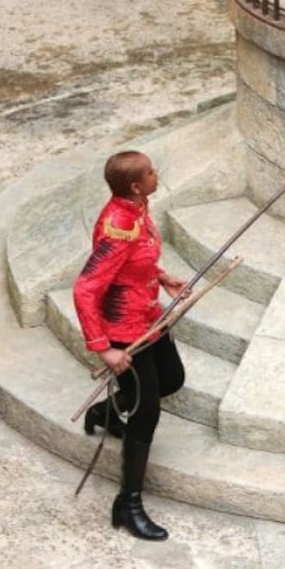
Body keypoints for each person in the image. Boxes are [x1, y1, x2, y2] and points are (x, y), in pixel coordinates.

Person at [73, 150, 187, 541]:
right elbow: (86, 288)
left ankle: (107, 411)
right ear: (136, 184)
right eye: (152, 172)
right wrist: (104, 348)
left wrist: (163, 277)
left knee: (171, 378)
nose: (158, 175)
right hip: (125, 330)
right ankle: (128, 504)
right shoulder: (118, 226)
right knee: (147, 413)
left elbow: (136, 260)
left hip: (148, 315)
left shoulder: (137, 208)